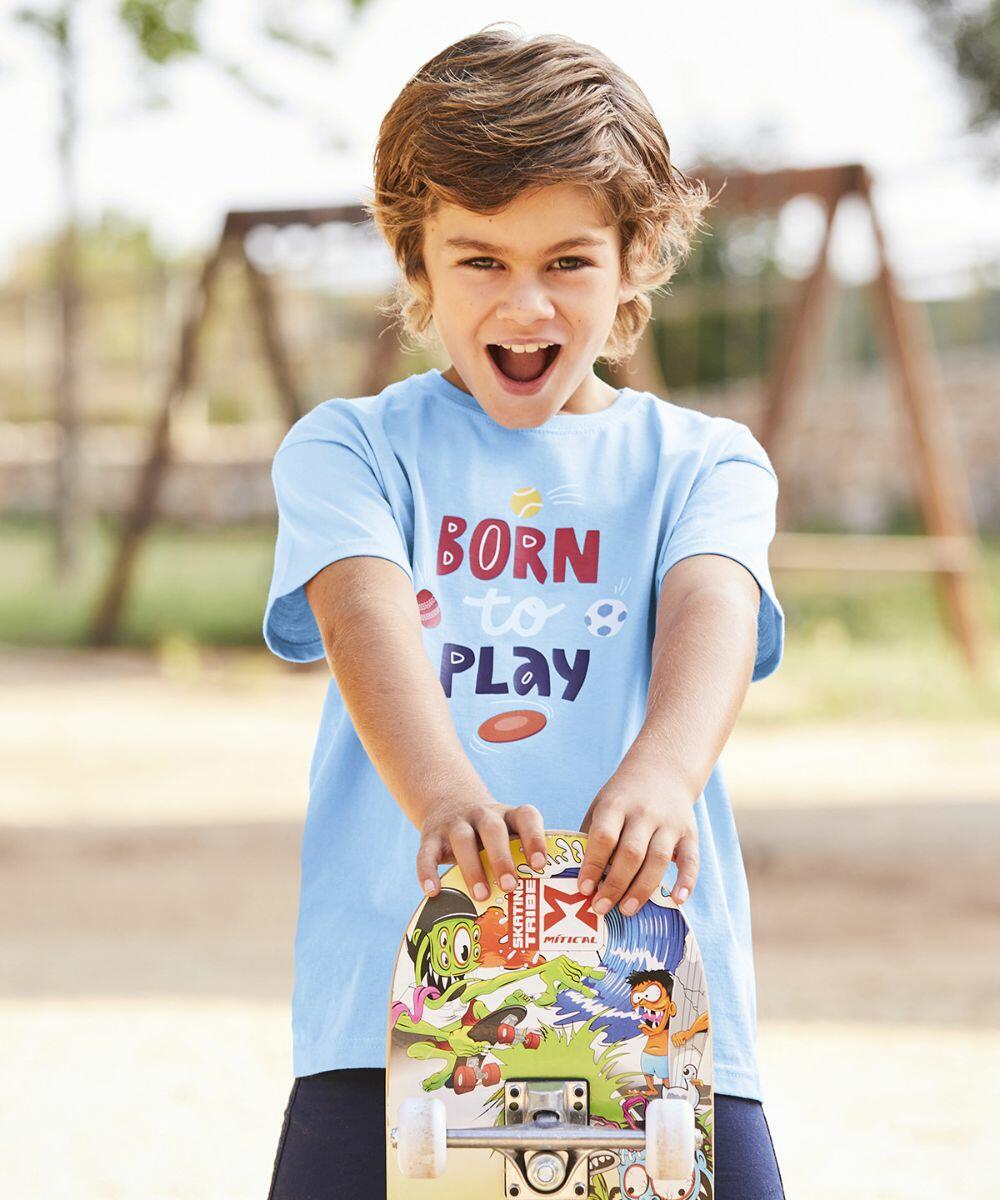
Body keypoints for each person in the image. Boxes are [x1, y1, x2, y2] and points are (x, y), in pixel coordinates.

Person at [262, 23, 786, 1200]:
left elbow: (713, 604)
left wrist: (661, 773)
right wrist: (444, 795)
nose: (526, 302)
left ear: (637, 255)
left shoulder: (706, 462)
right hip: (395, 999)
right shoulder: (352, 448)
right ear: (416, 263)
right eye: (480, 259)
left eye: (567, 261)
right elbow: (362, 617)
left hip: (648, 990)